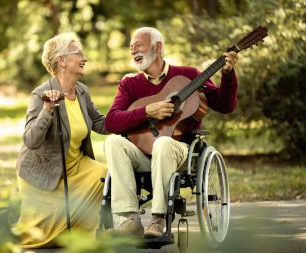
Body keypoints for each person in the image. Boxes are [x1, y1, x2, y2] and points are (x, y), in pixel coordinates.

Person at [104, 27, 238, 238]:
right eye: (131, 48)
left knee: (163, 143)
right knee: (112, 142)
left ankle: (158, 218)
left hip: (178, 152)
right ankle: (130, 220)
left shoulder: (190, 75)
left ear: (157, 47)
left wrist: (228, 76)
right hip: (143, 154)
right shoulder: (129, 83)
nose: (133, 51)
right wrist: (148, 111)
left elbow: (225, 105)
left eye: (138, 45)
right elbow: (111, 122)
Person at [13, 32, 108, 248]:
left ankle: (83, 240)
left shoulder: (82, 92)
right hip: (44, 171)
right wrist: (47, 109)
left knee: (102, 175)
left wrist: (135, 117)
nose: (84, 58)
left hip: (75, 166)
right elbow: (31, 140)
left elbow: (100, 123)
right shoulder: (41, 94)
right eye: (78, 54)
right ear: (61, 61)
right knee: (39, 236)